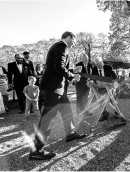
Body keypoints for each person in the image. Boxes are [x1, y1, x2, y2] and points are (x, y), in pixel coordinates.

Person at [29, 31, 87, 161]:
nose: (74, 44)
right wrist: (72, 75)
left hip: (60, 88)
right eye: (74, 41)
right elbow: (59, 67)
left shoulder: (58, 47)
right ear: (69, 37)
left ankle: (70, 134)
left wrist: (71, 73)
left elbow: (59, 68)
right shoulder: (62, 46)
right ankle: (36, 151)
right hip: (54, 88)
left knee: (67, 111)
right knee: (47, 119)